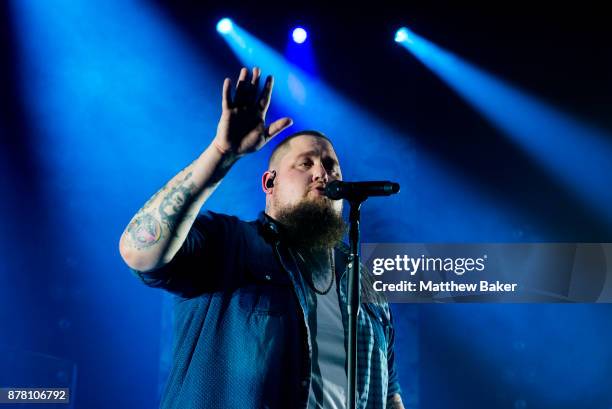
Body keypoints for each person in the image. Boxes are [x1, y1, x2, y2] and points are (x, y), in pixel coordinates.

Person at [119, 67, 404, 409]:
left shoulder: (365, 284)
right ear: (270, 183)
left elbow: (388, 395)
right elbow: (138, 250)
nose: (321, 173)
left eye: (331, 165)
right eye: (305, 164)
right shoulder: (232, 244)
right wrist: (222, 154)